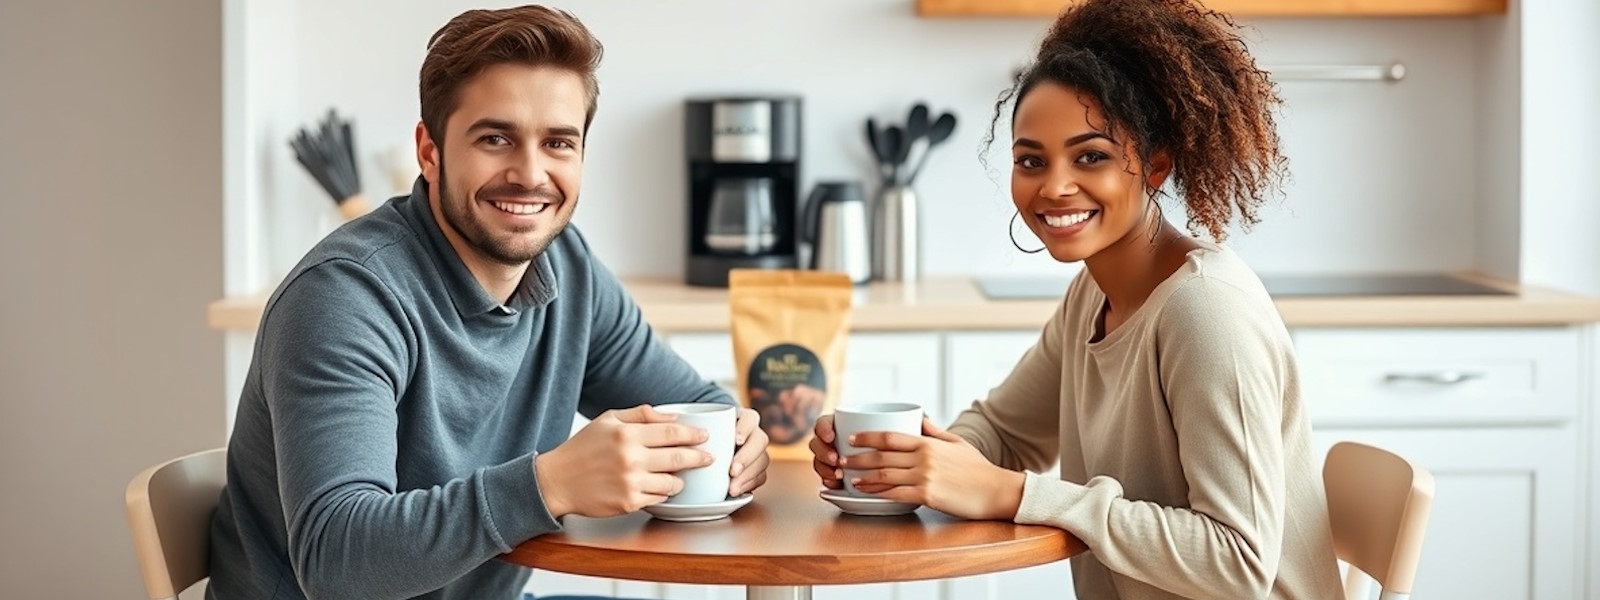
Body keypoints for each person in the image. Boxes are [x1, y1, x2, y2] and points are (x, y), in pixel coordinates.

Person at [207, 6, 770, 599]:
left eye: (558, 142)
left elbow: (698, 407)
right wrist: (548, 485)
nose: (530, 174)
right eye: (496, 138)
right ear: (429, 151)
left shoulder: (569, 270)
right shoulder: (344, 298)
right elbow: (336, 561)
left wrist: (736, 442)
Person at [809, 0, 1342, 598]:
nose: (1055, 186)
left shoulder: (1205, 310)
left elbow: (1239, 562)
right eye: (1031, 161)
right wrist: (906, 460)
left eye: (1092, 156)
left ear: (1156, 164)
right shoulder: (1093, 295)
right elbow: (1004, 434)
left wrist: (1013, 493)